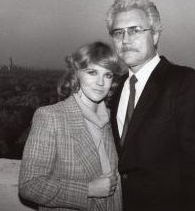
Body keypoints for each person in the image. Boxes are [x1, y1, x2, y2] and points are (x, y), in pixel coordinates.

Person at [106, 0, 195, 211]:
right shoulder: (119, 88)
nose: (125, 39)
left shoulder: (185, 83)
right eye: (118, 32)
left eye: (135, 30)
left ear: (156, 35)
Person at [19, 42, 122, 211]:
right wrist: (88, 190)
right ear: (76, 74)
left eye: (108, 75)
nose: (101, 82)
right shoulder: (50, 117)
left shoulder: (115, 119)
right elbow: (29, 185)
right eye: (92, 72)